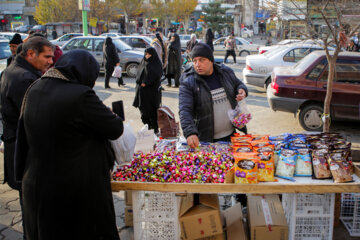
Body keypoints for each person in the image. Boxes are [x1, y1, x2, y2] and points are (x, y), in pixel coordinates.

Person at [14, 50, 123, 240]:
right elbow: (115, 128)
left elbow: (22, 134)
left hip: (38, 183)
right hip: (74, 188)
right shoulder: (80, 95)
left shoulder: (35, 87)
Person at [0, 36, 55, 240]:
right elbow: (36, 119)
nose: (50, 61)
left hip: (17, 144)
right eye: (47, 56)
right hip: (26, 151)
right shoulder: (25, 78)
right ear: (31, 53)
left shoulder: (13, 70)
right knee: (33, 207)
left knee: (30, 204)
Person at [179, 43, 248, 148]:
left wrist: (242, 90)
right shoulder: (188, 82)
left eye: (202, 60)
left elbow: (238, 83)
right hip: (206, 141)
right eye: (195, 61)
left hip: (231, 136)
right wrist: (190, 132)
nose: (197, 64)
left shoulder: (225, 72)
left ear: (211, 60)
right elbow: (184, 110)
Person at [133, 47, 163, 134]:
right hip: (141, 92)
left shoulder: (156, 64)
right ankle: (147, 126)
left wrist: (146, 82)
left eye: (149, 54)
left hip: (151, 93)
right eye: (146, 54)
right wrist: (140, 82)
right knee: (143, 111)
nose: (147, 56)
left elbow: (157, 75)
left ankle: (154, 129)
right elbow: (138, 74)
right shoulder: (143, 62)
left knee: (152, 112)